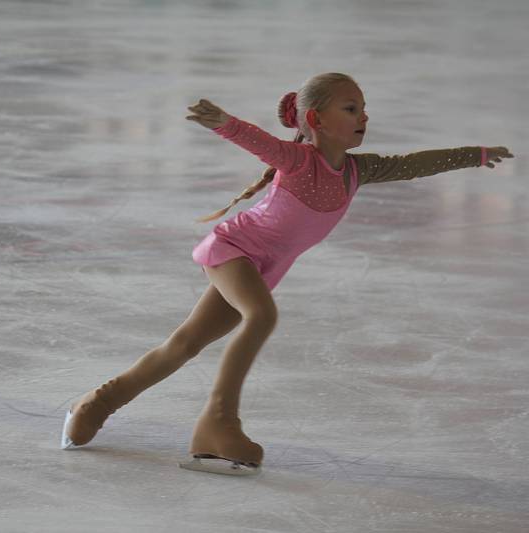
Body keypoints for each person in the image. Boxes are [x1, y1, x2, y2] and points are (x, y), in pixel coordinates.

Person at [60, 72, 513, 476]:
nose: (363, 116)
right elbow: (258, 141)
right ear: (315, 120)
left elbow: (414, 164)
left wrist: (474, 154)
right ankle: (219, 424)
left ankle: (101, 400)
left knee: (185, 343)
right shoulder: (298, 162)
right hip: (235, 250)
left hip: (264, 266)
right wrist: (220, 121)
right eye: (351, 108)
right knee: (261, 317)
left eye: (363, 108)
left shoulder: (357, 170)